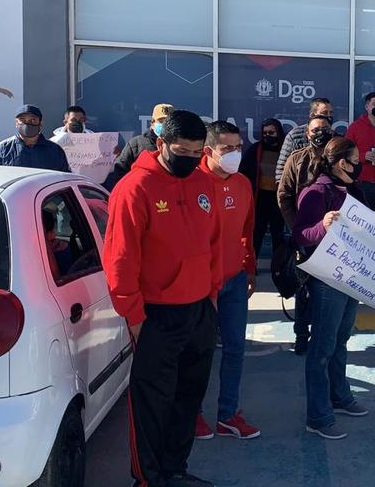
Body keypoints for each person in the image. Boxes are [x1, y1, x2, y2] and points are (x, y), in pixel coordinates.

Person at [103, 110, 222, 487]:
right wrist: (134, 317)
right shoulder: (134, 189)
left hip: (199, 310)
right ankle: (149, 479)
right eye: (182, 151)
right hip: (157, 315)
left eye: (197, 152)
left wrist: (211, 296)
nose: (190, 159)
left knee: (188, 399)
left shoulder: (203, 182)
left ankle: (175, 470)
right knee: (153, 404)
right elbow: (120, 259)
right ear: (160, 145)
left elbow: (213, 244)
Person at [292, 136, 370, 440]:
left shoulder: (353, 191)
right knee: (322, 348)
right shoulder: (315, 192)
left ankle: (339, 396)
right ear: (340, 163)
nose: (359, 164)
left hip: (351, 278)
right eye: (355, 159)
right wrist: (322, 226)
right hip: (327, 280)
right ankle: (318, 415)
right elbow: (301, 235)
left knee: (340, 341)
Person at [193, 121, 260, 442]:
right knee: (199, 351)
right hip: (201, 285)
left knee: (235, 349)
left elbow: (247, 230)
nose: (235, 153)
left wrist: (249, 268)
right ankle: (191, 414)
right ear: (208, 151)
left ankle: (227, 414)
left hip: (234, 279)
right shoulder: (191, 183)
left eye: (238, 147)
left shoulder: (243, 183)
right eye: (227, 149)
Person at [277, 115, 334, 355]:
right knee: (304, 288)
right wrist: (296, 228)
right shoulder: (296, 159)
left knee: (329, 290)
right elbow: (284, 196)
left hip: (333, 236)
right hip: (306, 235)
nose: (320, 133)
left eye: (325, 129)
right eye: (315, 130)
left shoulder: (337, 157)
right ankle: (302, 335)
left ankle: (322, 338)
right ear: (307, 134)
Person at [238, 118, 287, 256]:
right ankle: (251, 266)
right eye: (265, 133)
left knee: (278, 234)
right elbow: (243, 172)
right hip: (259, 198)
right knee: (256, 233)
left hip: (278, 199)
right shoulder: (255, 149)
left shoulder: (285, 150)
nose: (267, 136)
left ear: (278, 132)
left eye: (271, 132)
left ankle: (279, 267)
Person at [105, 103, 174, 190]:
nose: (165, 125)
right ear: (152, 123)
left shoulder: (179, 146)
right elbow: (118, 173)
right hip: (143, 196)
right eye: (161, 121)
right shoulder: (136, 144)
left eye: (168, 122)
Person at [0, 105, 71, 172]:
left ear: (41, 123)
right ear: (16, 123)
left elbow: (65, 179)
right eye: (22, 120)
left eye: (33, 120)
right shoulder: (2, 150)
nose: (27, 124)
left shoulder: (55, 151)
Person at [275, 97, 333, 181]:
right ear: (312, 115)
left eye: (330, 113)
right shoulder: (294, 136)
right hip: (300, 189)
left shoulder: (334, 136)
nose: (329, 116)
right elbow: (282, 170)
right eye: (325, 113)